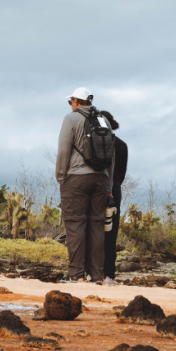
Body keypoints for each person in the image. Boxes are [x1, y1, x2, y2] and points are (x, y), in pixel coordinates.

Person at [55, 87, 113, 284]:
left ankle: (76, 274)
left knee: (75, 223)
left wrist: (61, 177)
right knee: (97, 225)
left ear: (76, 101)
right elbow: (110, 156)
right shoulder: (103, 120)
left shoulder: (71, 119)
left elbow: (64, 149)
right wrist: (109, 184)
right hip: (101, 179)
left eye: (70, 101)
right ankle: (97, 275)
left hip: (76, 178)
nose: (70, 105)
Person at [99, 111, 127, 286]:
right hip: (115, 189)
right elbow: (121, 174)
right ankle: (109, 274)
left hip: (97, 186)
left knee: (94, 230)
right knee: (111, 231)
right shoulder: (122, 145)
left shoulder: (95, 143)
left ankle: (91, 271)